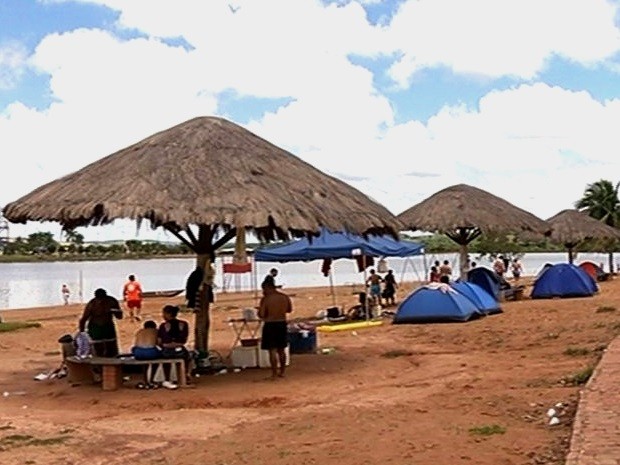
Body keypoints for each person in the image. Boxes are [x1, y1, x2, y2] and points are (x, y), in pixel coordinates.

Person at [258, 281, 293, 379]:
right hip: (282, 323)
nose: (263, 291)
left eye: (263, 289)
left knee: (272, 350)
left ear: (267, 288)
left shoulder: (266, 299)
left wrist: (259, 310)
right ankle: (282, 372)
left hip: (270, 324)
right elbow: (289, 309)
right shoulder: (284, 297)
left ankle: (274, 373)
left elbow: (262, 314)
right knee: (281, 349)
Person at [78, 288, 123, 358]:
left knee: (111, 349)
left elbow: (119, 316)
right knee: (97, 349)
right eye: (99, 299)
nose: (101, 301)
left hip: (108, 327)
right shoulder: (92, 304)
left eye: (103, 299)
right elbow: (84, 319)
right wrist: (82, 333)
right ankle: (99, 364)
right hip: (96, 328)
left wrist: (114, 311)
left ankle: (112, 363)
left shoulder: (111, 301)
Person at [157, 305, 191, 389]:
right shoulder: (184, 324)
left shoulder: (163, 326)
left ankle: (167, 378)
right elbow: (185, 339)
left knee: (165, 359)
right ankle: (185, 375)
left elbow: (159, 341)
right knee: (188, 357)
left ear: (168, 314)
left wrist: (165, 345)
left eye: (164, 313)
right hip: (180, 350)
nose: (163, 315)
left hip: (167, 350)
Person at [131, 320, 161, 389]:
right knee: (157, 361)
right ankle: (152, 380)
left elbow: (135, 344)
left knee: (144, 364)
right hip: (150, 352)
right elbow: (159, 343)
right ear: (154, 326)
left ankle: (145, 380)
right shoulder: (156, 331)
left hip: (138, 352)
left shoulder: (139, 331)